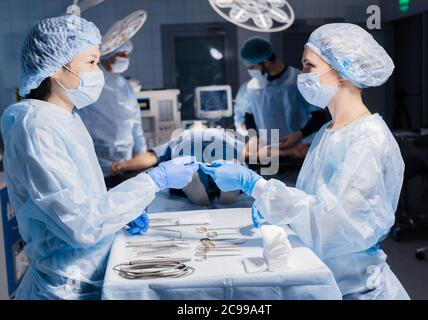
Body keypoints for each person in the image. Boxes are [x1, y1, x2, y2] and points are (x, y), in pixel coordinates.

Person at [200, 23, 410, 300]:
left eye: (309, 66)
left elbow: (333, 225)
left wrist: (256, 186)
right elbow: (312, 198)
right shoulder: (329, 132)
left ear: (342, 70)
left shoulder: (367, 140)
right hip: (326, 277)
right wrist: (276, 209)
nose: (302, 75)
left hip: (357, 287)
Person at [1, 15, 198, 300]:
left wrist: (120, 214)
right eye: (91, 62)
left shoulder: (66, 117)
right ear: (56, 68)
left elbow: (84, 202)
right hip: (65, 285)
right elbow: (81, 225)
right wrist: (154, 179)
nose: (98, 73)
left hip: (85, 274)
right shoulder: (36, 126)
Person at [78, 37, 152, 189]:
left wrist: (142, 158)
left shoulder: (124, 85)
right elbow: (81, 124)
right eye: (122, 54)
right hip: (100, 164)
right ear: (108, 54)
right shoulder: (91, 83)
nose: (126, 58)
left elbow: (135, 123)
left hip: (128, 164)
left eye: (127, 54)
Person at [112, 123, 246, 206]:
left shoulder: (180, 137)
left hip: (190, 155)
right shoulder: (224, 135)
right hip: (224, 152)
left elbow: (151, 157)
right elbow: (249, 153)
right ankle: (232, 179)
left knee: (183, 167)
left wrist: (123, 165)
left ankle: (190, 176)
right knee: (231, 163)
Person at [239, 37, 329, 157]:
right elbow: (249, 115)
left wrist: (300, 134)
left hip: (299, 150)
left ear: (265, 62)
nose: (250, 72)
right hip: (269, 153)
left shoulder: (298, 81)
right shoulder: (253, 86)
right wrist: (253, 137)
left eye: (252, 68)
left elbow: (319, 115)